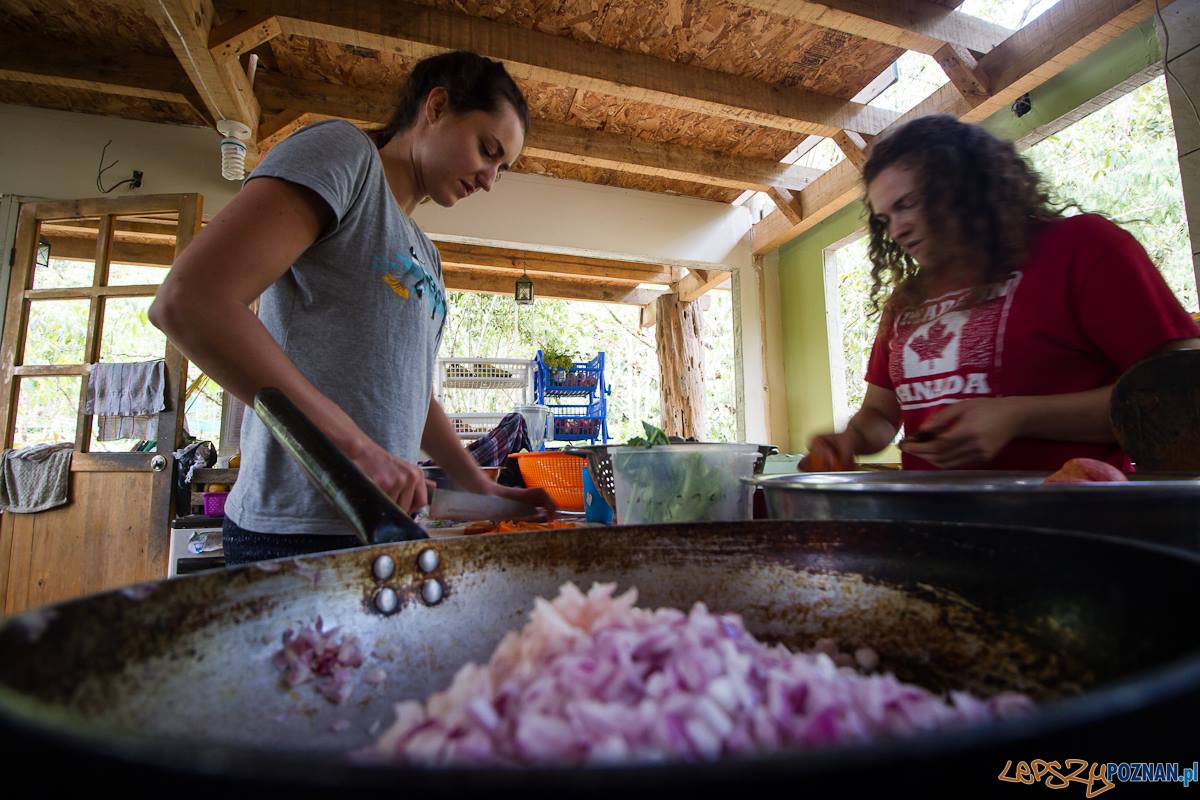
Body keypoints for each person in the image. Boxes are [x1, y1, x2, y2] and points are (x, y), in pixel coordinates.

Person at [151, 51, 554, 564]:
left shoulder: (425, 254)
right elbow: (190, 301)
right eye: (487, 150)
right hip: (293, 534)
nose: (490, 179)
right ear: (436, 107)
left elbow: (411, 393)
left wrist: (481, 487)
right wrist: (357, 448)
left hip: (382, 530)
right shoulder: (347, 157)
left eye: (502, 168)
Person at [803, 115, 1200, 472]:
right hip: (930, 523)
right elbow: (880, 414)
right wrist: (850, 440)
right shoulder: (907, 300)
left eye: (908, 204)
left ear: (962, 185)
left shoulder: (1083, 247)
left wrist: (1019, 416)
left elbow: (1181, 396)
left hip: (1069, 517)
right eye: (885, 218)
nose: (897, 230)